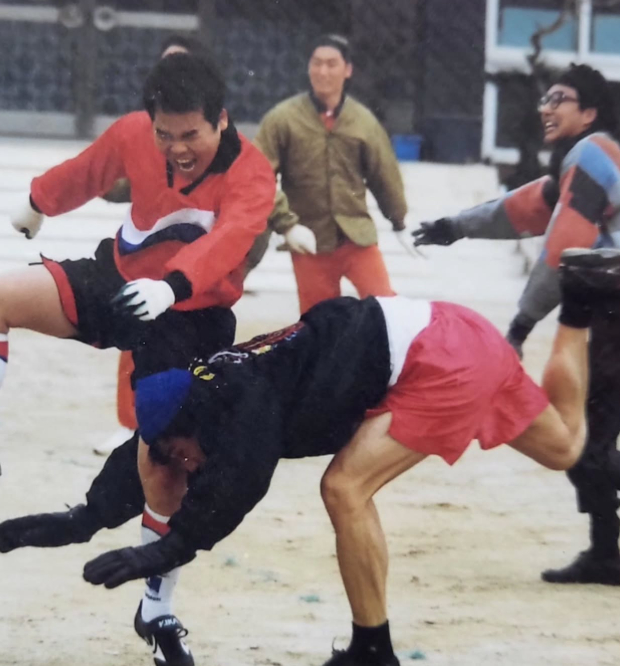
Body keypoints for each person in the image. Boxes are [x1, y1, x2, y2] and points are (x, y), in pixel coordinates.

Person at [2, 246, 609, 665]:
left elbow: (240, 477)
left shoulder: (240, 404)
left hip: (434, 360)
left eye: (178, 454)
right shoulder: (201, 394)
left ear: (191, 425)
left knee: (345, 489)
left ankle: (372, 650)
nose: (181, 465)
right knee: (565, 446)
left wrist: (167, 548)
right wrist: (79, 520)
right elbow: (144, 460)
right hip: (447, 326)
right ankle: (580, 302)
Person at [2, 52, 276, 665]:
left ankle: (156, 607)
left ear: (222, 120)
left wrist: (172, 288)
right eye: (164, 134)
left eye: (190, 135)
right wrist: (37, 200)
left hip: (192, 316)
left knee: (166, 461)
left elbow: (230, 241)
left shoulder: (254, 174)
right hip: (120, 281)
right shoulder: (135, 133)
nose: (177, 149)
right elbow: (88, 170)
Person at [412, 63, 620, 586]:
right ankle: (606, 552)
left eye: (560, 98)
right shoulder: (591, 158)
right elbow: (525, 208)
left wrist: (521, 327)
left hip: (614, 315)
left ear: (589, 113)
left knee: (583, 440)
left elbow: (562, 246)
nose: (546, 107)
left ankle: (607, 550)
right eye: (545, 98)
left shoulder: (592, 156)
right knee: (589, 438)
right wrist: (455, 226)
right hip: (609, 314)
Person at [93, 34, 299, 457]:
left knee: (200, 345)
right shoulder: (153, 134)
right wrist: (103, 181)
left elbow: (260, 194)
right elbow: (133, 182)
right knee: (140, 334)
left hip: (213, 261)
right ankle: (132, 424)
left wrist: (290, 226)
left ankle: (198, 430)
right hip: (161, 257)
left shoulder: (220, 137)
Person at [254, 33, 418, 316]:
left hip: (356, 237)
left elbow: (384, 174)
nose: (323, 71)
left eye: (331, 64)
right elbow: (257, 175)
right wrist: (286, 223)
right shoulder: (282, 118)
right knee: (319, 322)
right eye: (316, 63)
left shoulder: (364, 121)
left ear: (348, 70)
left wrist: (399, 221)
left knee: (385, 310)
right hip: (309, 240)